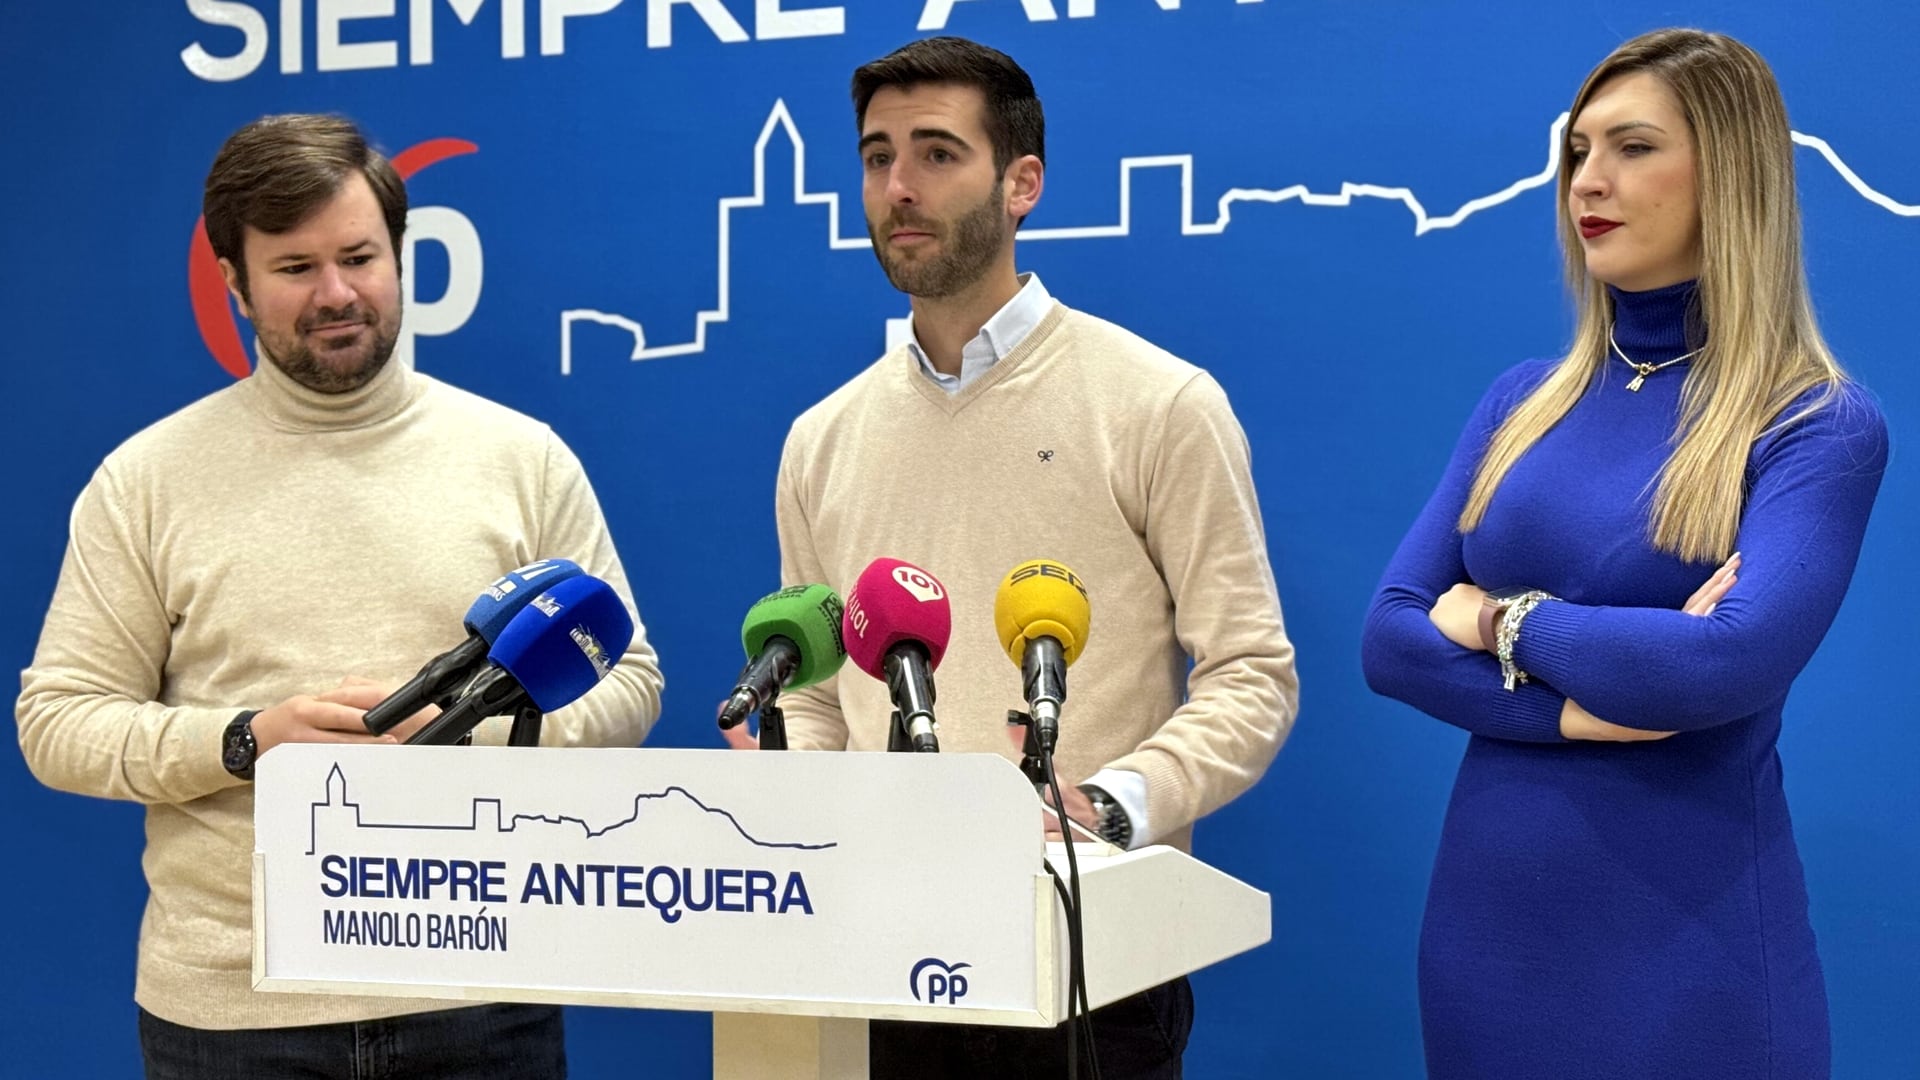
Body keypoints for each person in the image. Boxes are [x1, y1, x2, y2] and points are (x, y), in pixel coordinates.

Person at [15, 114, 664, 1079]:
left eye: (360, 256)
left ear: (401, 255)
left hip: (482, 994)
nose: (336, 294)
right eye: (293, 268)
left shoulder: (521, 459)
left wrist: (460, 737)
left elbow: (628, 682)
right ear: (233, 282)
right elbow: (57, 721)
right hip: (233, 1015)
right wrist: (246, 742)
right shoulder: (143, 480)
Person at [729, 36, 1299, 1078]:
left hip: (1089, 960)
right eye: (876, 156)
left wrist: (1112, 806)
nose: (898, 187)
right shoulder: (821, 437)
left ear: (1022, 183)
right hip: (874, 948)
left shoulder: (1160, 404)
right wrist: (793, 786)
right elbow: (815, 699)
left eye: (937, 153)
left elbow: (1252, 677)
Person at [1360, 29, 1887, 1080]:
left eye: (1634, 147)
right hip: (1484, 948)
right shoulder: (1523, 399)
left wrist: (1496, 619)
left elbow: (1721, 667)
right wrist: (1576, 706)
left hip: (1690, 961)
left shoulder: (1814, 424)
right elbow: (1389, 640)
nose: (1587, 182)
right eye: (1578, 150)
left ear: (1728, 175)